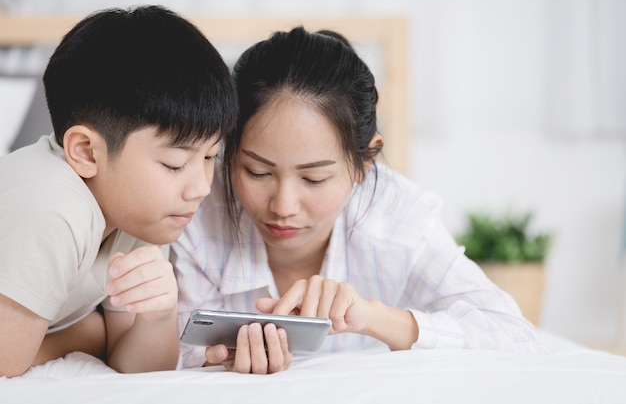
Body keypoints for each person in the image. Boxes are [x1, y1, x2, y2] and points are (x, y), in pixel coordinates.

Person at [172, 26, 545, 374]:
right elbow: (162, 352)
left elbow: (517, 337)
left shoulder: (398, 218)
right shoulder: (197, 206)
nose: (283, 205)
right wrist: (214, 364)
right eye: (257, 172)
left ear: (364, 162)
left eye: (314, 178)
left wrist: (370, 318)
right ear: (228, 151)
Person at [0, 5, 237, 378]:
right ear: (86, 152)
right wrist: (86, 336)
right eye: (174, 165)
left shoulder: (140, 214)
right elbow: (5, 362)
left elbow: (139, 368)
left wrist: (157, 317)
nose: (201, 187)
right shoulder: (52, 207)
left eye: (210, 157)